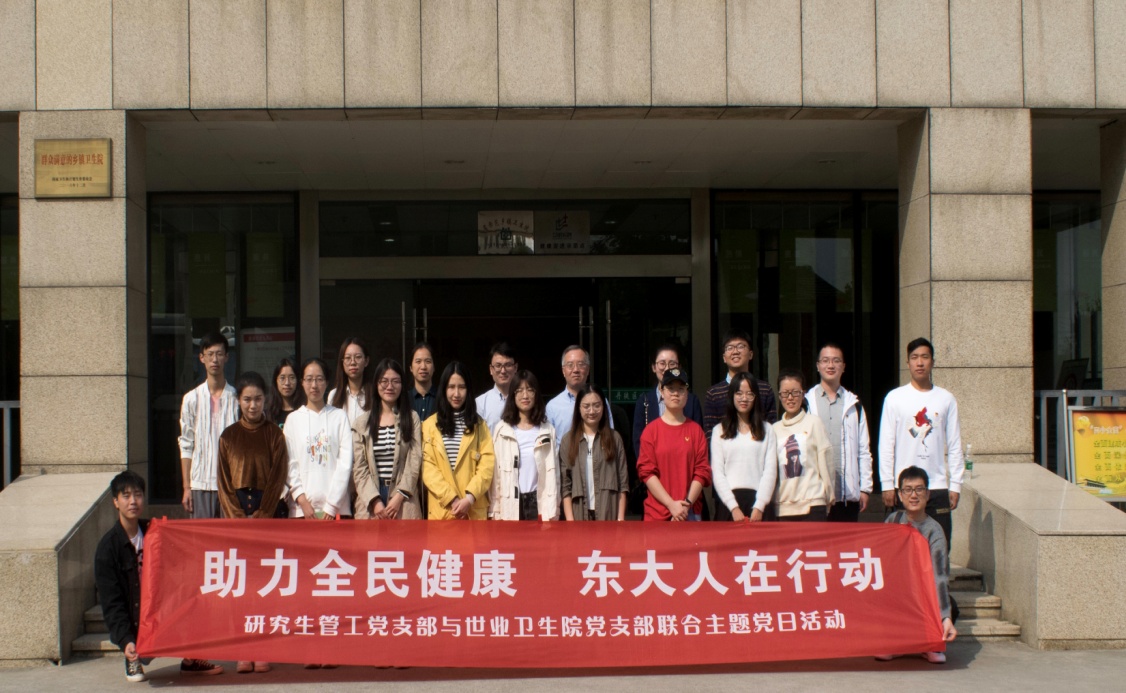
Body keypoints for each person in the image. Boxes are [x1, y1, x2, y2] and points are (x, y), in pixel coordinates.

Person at [95, 471, 223, 681]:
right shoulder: (107, 549)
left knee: (196, 593)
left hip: (161, 607)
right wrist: (125, 640)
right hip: (136, 617)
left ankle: (191, 657)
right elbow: (112, 602)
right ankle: (132, 656)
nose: (133, 501)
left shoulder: (155, 530)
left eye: (138, 495)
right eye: (126, 496)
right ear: (115, 502)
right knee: (134, 642)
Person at [215, 371, 285, 674]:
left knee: (266, 583)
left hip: (267, 512)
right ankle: (243, 649)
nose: (253, 405)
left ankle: (263, 648)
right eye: (247, 399)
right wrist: (237, 517)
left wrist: (264, 512)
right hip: (237, 514)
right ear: (238, 401)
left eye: (257, 399)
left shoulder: (274, 434)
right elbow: (223, 482)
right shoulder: (228, 436)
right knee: (240, 585)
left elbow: (278, 476)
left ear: (265, 400)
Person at [879, 337, 964, 549]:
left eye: (924, 357)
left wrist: (955, 484)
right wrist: (887, 484)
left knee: (939, 548)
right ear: (907, 362)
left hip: (936, 486)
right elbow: (886, 444)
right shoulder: (894, 398)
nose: (919, 362)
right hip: (904, 488)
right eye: (914, 357)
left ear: (932, 362)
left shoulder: (946, 399)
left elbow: (954, 444)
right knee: (902, 549)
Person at [879, 466, 958, 664]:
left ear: (928, 494)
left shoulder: (934, 531)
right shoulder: (892, 521)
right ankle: (896, 644)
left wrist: (945, 616)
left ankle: (929, 644)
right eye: (908, 490)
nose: (913, 495)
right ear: (900, 495)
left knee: (948, 606)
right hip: (897, 593)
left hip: (923, 595)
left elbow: (940, 576)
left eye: (919, 489)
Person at [805, 343, 874, 522]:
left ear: (843, 367)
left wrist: (865, 488)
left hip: (846, 495)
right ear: (818, 365)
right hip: (814, 495)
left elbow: (863, 450)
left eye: (836, 361)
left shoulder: (854, 405)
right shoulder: (806, 403)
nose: (830, 365)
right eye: (825, 360)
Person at [421, 361, 496, 520]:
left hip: (472, 511)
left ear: (468, 390)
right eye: (451, 387)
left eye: (461, 387)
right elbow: (428, 468)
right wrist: (452, 499)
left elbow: (487, 465)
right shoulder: (429, 425)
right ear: (444, 389)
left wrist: (469, 498)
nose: (456, 393)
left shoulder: (480, 426)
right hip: (442, 511)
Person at [636, 368, 712, 521]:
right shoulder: (651, 431)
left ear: (687, 394)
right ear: (662, 392)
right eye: (670, 389)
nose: (676, 393)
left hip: (689, 511)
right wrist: (670, 504)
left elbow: (702, 471)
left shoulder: (696, 431)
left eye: (681, 389)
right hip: (657, 513)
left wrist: (686, 505)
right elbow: (647, 472)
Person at [352, 358, 424, 520]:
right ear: (376, 384)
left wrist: (399, 496)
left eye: (395, 381)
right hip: (371, 499)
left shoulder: (412, 418)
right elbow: (359, 467)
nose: (390, 386)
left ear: (402, 385)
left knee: (405, 537)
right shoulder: (361, 423)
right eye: (384, 381)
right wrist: (375, 500)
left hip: (403, 498)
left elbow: (415, 460)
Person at [178, 330, 239, 519]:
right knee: (202, 537)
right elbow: (186, 444)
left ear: (227, 357)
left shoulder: (237, 398)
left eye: (219, 354)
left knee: (230, 536)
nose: (215, 359)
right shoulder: (191, 399)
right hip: (200, 484)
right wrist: (186, 487)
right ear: (201, 358)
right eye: (210, 354)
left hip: (231, 485)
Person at [285, 358, 353, 519]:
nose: (314, 385)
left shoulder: (339, 417)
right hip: (302, 511)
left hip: (337, 511)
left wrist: (332, 506)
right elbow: (289, 463)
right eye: (309, 379)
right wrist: (302, 500)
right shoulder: (293, 420)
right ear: (302, 382)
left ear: (327, 382)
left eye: (319, 379)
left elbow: (345, 463)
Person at [489, 370, 560, 520]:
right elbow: (496, 475)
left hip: (538, 503)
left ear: (536, 394)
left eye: (530, 390)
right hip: (511, 504)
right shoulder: (502, 429)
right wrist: (495, 511)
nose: (525, 395)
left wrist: (555, 508)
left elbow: (555, 474)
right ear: (513, 395)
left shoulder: (547, 429)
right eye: (519, 390)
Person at [710, 372, 778, 522]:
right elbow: (718, 473)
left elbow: (770, 471)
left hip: (759, 506)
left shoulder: (767, 430)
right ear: (732, 396)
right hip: (729, 506)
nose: (744, 398)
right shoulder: (719, 431)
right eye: (739, 393)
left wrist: (759, 506)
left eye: (749, 394)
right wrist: (733, 507)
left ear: (755, 397)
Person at [772, 368, 836, 521]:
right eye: (785, 393)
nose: (790, 398)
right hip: (783, 507)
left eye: (795, 392)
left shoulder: (814, 423)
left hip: (813, 504)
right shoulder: (774, 429)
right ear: (779, 396)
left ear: (803, 394)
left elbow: (826, 461)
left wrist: (829, 496)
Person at [560, 384, 629, 521]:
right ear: (579, 408)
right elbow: (566, 485)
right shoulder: (568, 440)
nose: (592, 411)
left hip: (608, 513)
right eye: (586, 406)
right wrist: (570, 520)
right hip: (579, 515)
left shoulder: (614, 438)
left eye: (597, 405)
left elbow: (623, 483)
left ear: (603, 407)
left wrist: (620, 519)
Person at [633, 341, 704, 457]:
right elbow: (638, 442)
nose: (666, 368)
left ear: (679, 367)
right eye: (662, 363)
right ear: (654, 367)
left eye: (672, 364)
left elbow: (699, 441)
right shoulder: (644, 401)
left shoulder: (692, 401)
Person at [703, 329, 778, 439]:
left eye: (740, 346)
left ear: (751, 354)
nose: (735, 352)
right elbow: (710, 435)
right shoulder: (713, 393)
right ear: (724, 357)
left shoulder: (765, 389)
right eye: (730, 348)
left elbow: (772, 428)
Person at [546, 345, 613, 448]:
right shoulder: (552, 407)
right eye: (570, 365)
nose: (576, 370)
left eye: (581, 364)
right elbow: (549, 446)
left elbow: (609, 435)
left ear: (588, 369)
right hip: (564, 458)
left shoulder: (600, 401)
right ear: (563, 371)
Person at [327, 337, 371, 424]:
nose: (353, 362)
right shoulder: (334, 395)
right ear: (342, 362)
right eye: (347, 358)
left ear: (366, 361)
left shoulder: (375, 394)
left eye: (358, 357)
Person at [475, 341, 518, 431]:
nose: (503, 371)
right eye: (498, 365)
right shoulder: (480, 404)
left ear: (515, 368)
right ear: (491, 369)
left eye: (508, 365)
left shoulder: (525, 400)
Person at [266, 357, 303, 428]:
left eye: (292, 378)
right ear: (276, 381)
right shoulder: (268, 412)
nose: (287, 383)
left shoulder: (304, 411)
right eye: (282, 378)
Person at [408, 341, 438, 423]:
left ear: (434, 367)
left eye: (428, 361)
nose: (423, 367)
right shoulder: (404, 399)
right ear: (410, 367)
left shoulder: (443, 398)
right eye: (418, 361)